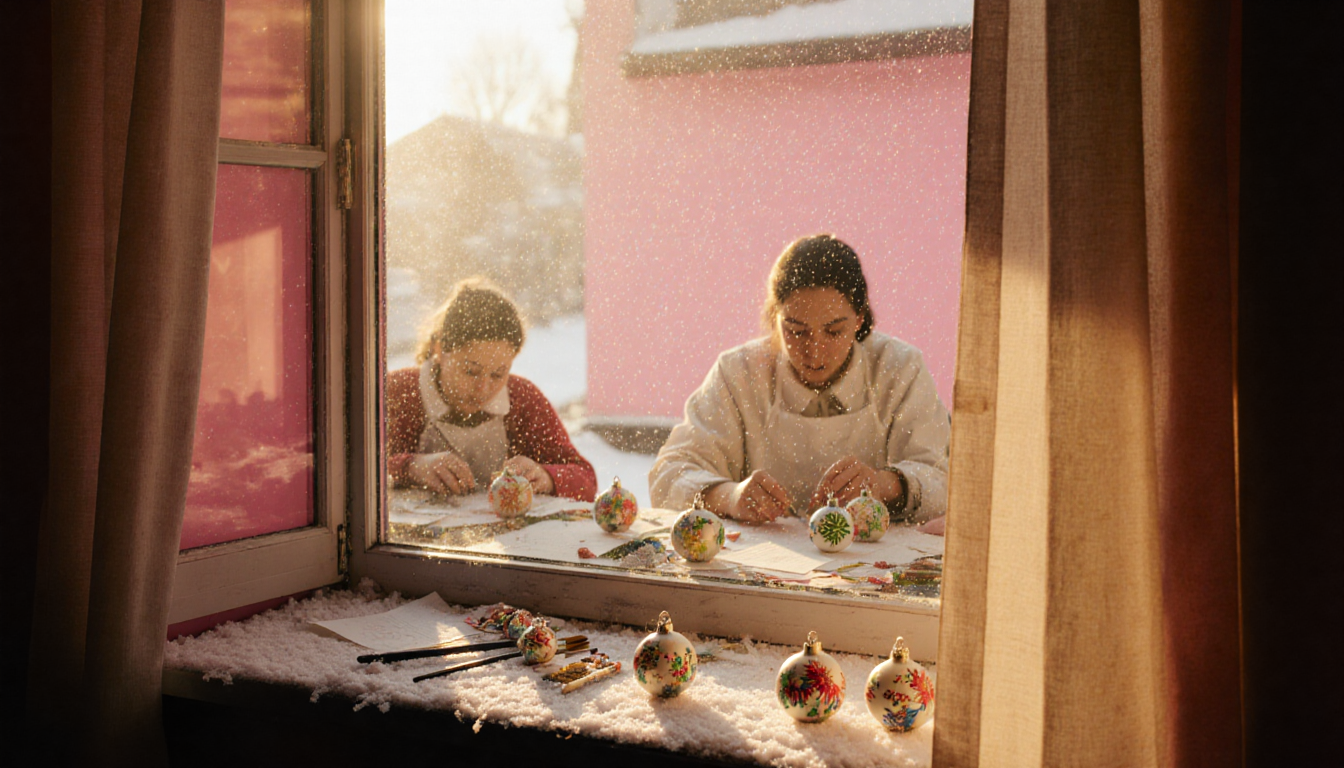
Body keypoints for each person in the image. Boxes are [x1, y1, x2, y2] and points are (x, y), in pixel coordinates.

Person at [649, 234, 949, 532]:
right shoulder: (738, 373)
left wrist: (886, 484)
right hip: (761, 561)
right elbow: (668, 475)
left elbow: (949, 482)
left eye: (833, 332)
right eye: (796, 331)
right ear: (774, 317)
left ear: (859, 319)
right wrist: (730, 496)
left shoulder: (899, 369)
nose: (814, 352)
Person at [386, 278, 597, 501]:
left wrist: (547, 476)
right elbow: (355, 467)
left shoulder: (522, 398)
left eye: (498, 374)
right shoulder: (399, 392)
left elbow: (586, 480)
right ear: (439, 350)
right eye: (471, 371)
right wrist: (409, 467)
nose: (483, 388)